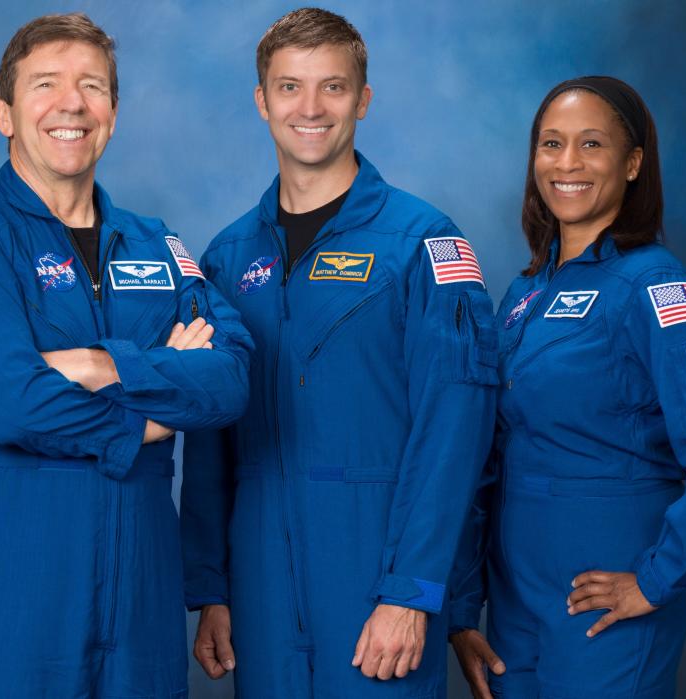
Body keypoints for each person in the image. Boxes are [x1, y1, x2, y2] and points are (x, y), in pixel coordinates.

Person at [0, 12, 252, 698]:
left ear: (113, 112)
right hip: (16, 591)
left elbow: (231, 376)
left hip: (142, 598)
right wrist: (151, 417)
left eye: (91, 86)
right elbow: (10, 401)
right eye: (46, 84)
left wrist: (105, 365)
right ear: (4, 112)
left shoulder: (157, 244)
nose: (72, 103)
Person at [180, 8, 497, 697]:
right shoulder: (227, 258)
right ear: (263, 101)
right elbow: (209, 442)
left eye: (334, 86)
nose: (311, 107)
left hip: (376, 572)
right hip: (260, 582)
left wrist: (411, 592)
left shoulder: (424, 244)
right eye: (290, 87)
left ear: (364, 98)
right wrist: (210, 586)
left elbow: (455, 434)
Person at [447, 76, 686, 699]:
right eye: (551, 144)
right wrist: (464, 609)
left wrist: (655, 580)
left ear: (631, 164)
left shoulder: (653, 289)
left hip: (605, 604)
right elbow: (482, 458)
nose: (566, 163)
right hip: (514, 602)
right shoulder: (521, 297)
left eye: (591, 144)